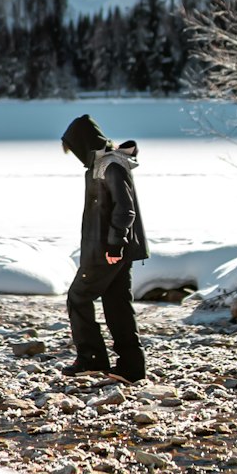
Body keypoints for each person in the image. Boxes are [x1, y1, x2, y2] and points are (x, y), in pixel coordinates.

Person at [60, 113, 149, 382]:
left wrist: (114, 246)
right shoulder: (103, 165)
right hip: (109, 249)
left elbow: (125, 210)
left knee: (78, 297)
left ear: (84, 144)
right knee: (117, 305)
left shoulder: (111, 166)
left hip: (106, 251)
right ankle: (132, 367)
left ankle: (92, 358)